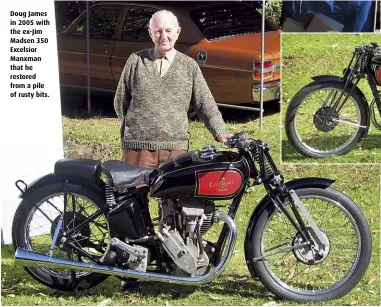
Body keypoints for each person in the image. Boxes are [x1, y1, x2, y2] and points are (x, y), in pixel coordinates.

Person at [113, 9, 231, 169]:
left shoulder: (189, 67)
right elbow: (121, 102)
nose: (163, 36)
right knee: (133, 193)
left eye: (168, 30)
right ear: (150, 33)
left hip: (175, 148)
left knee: (175, 193)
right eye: (158, 31)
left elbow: (206, 105)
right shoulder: (136, 61)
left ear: (178, 32)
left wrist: (220, 132)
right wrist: (138, 128)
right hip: (138, 147)